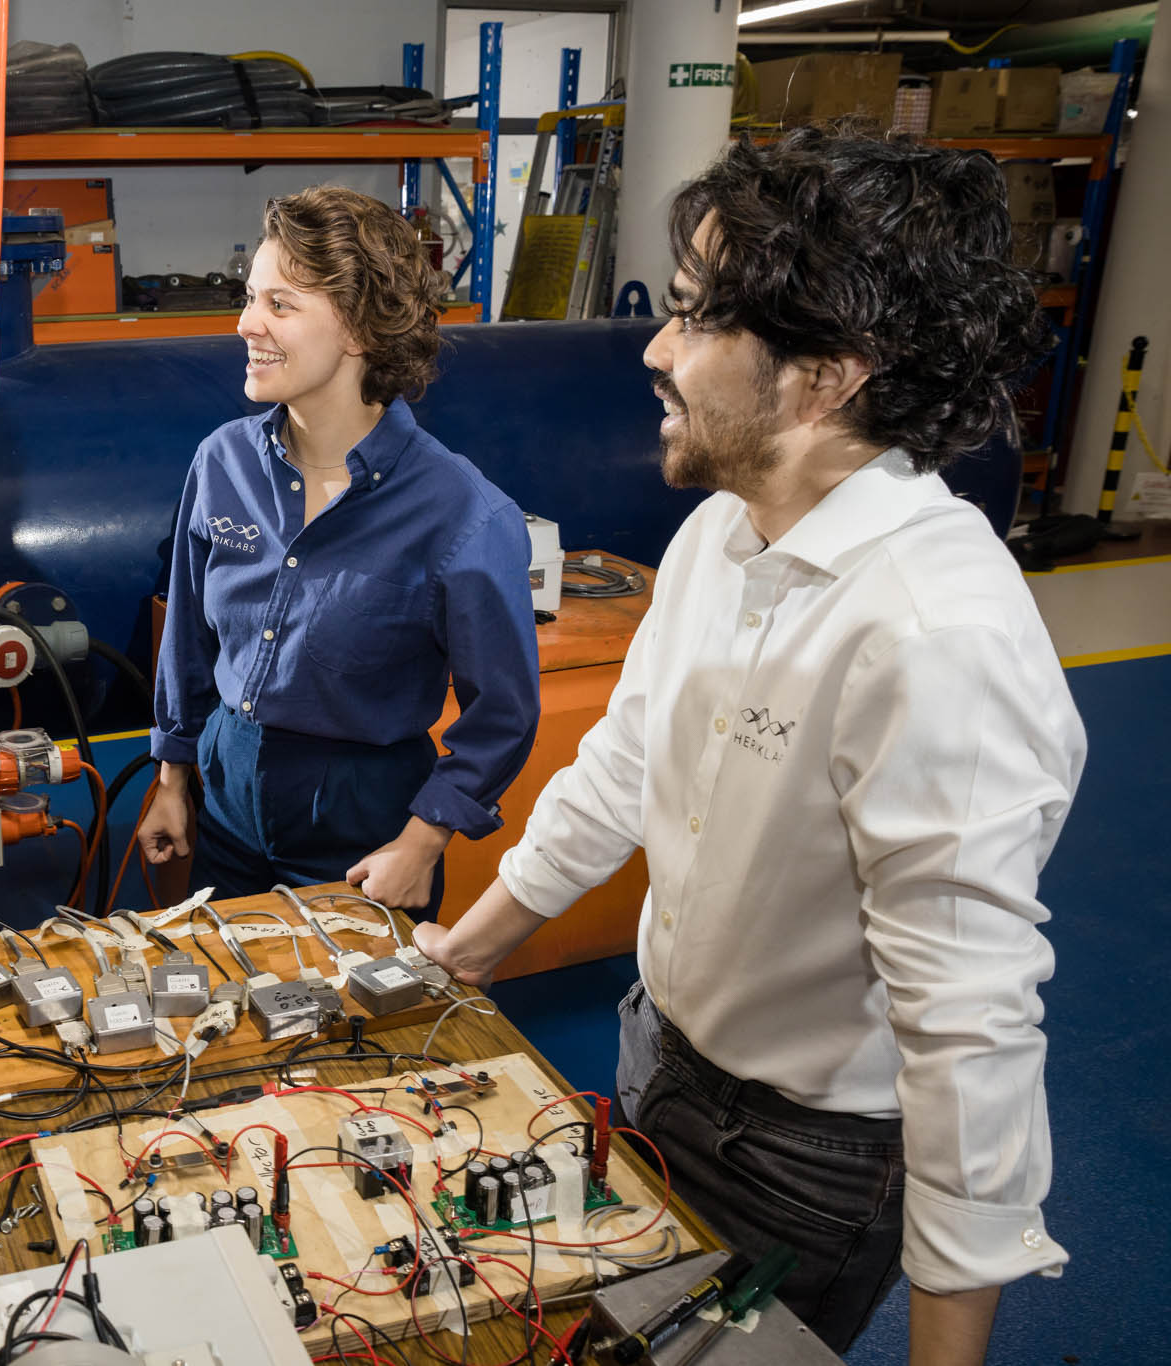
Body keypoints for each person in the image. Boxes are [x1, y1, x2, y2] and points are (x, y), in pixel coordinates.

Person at [416, 128, 1083, 1362]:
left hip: (806, 1155)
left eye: (691, 319)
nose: (655, 352)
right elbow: (626, 760)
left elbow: (969, 1035)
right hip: (657, 1046)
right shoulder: (720, 533)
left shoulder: (931, 637)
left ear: (824, 376)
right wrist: (468, 950)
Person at [140, 186, 540, 915]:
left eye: (279, 305)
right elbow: (189, 642)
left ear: (359, 328)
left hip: (363, 832)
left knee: (348, 1027)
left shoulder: (462, 515)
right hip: (224, 801)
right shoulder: (220, 463)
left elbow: (503, 714)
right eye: (248, 296)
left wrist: (422, 843)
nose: (244, 323)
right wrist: (172, 779)